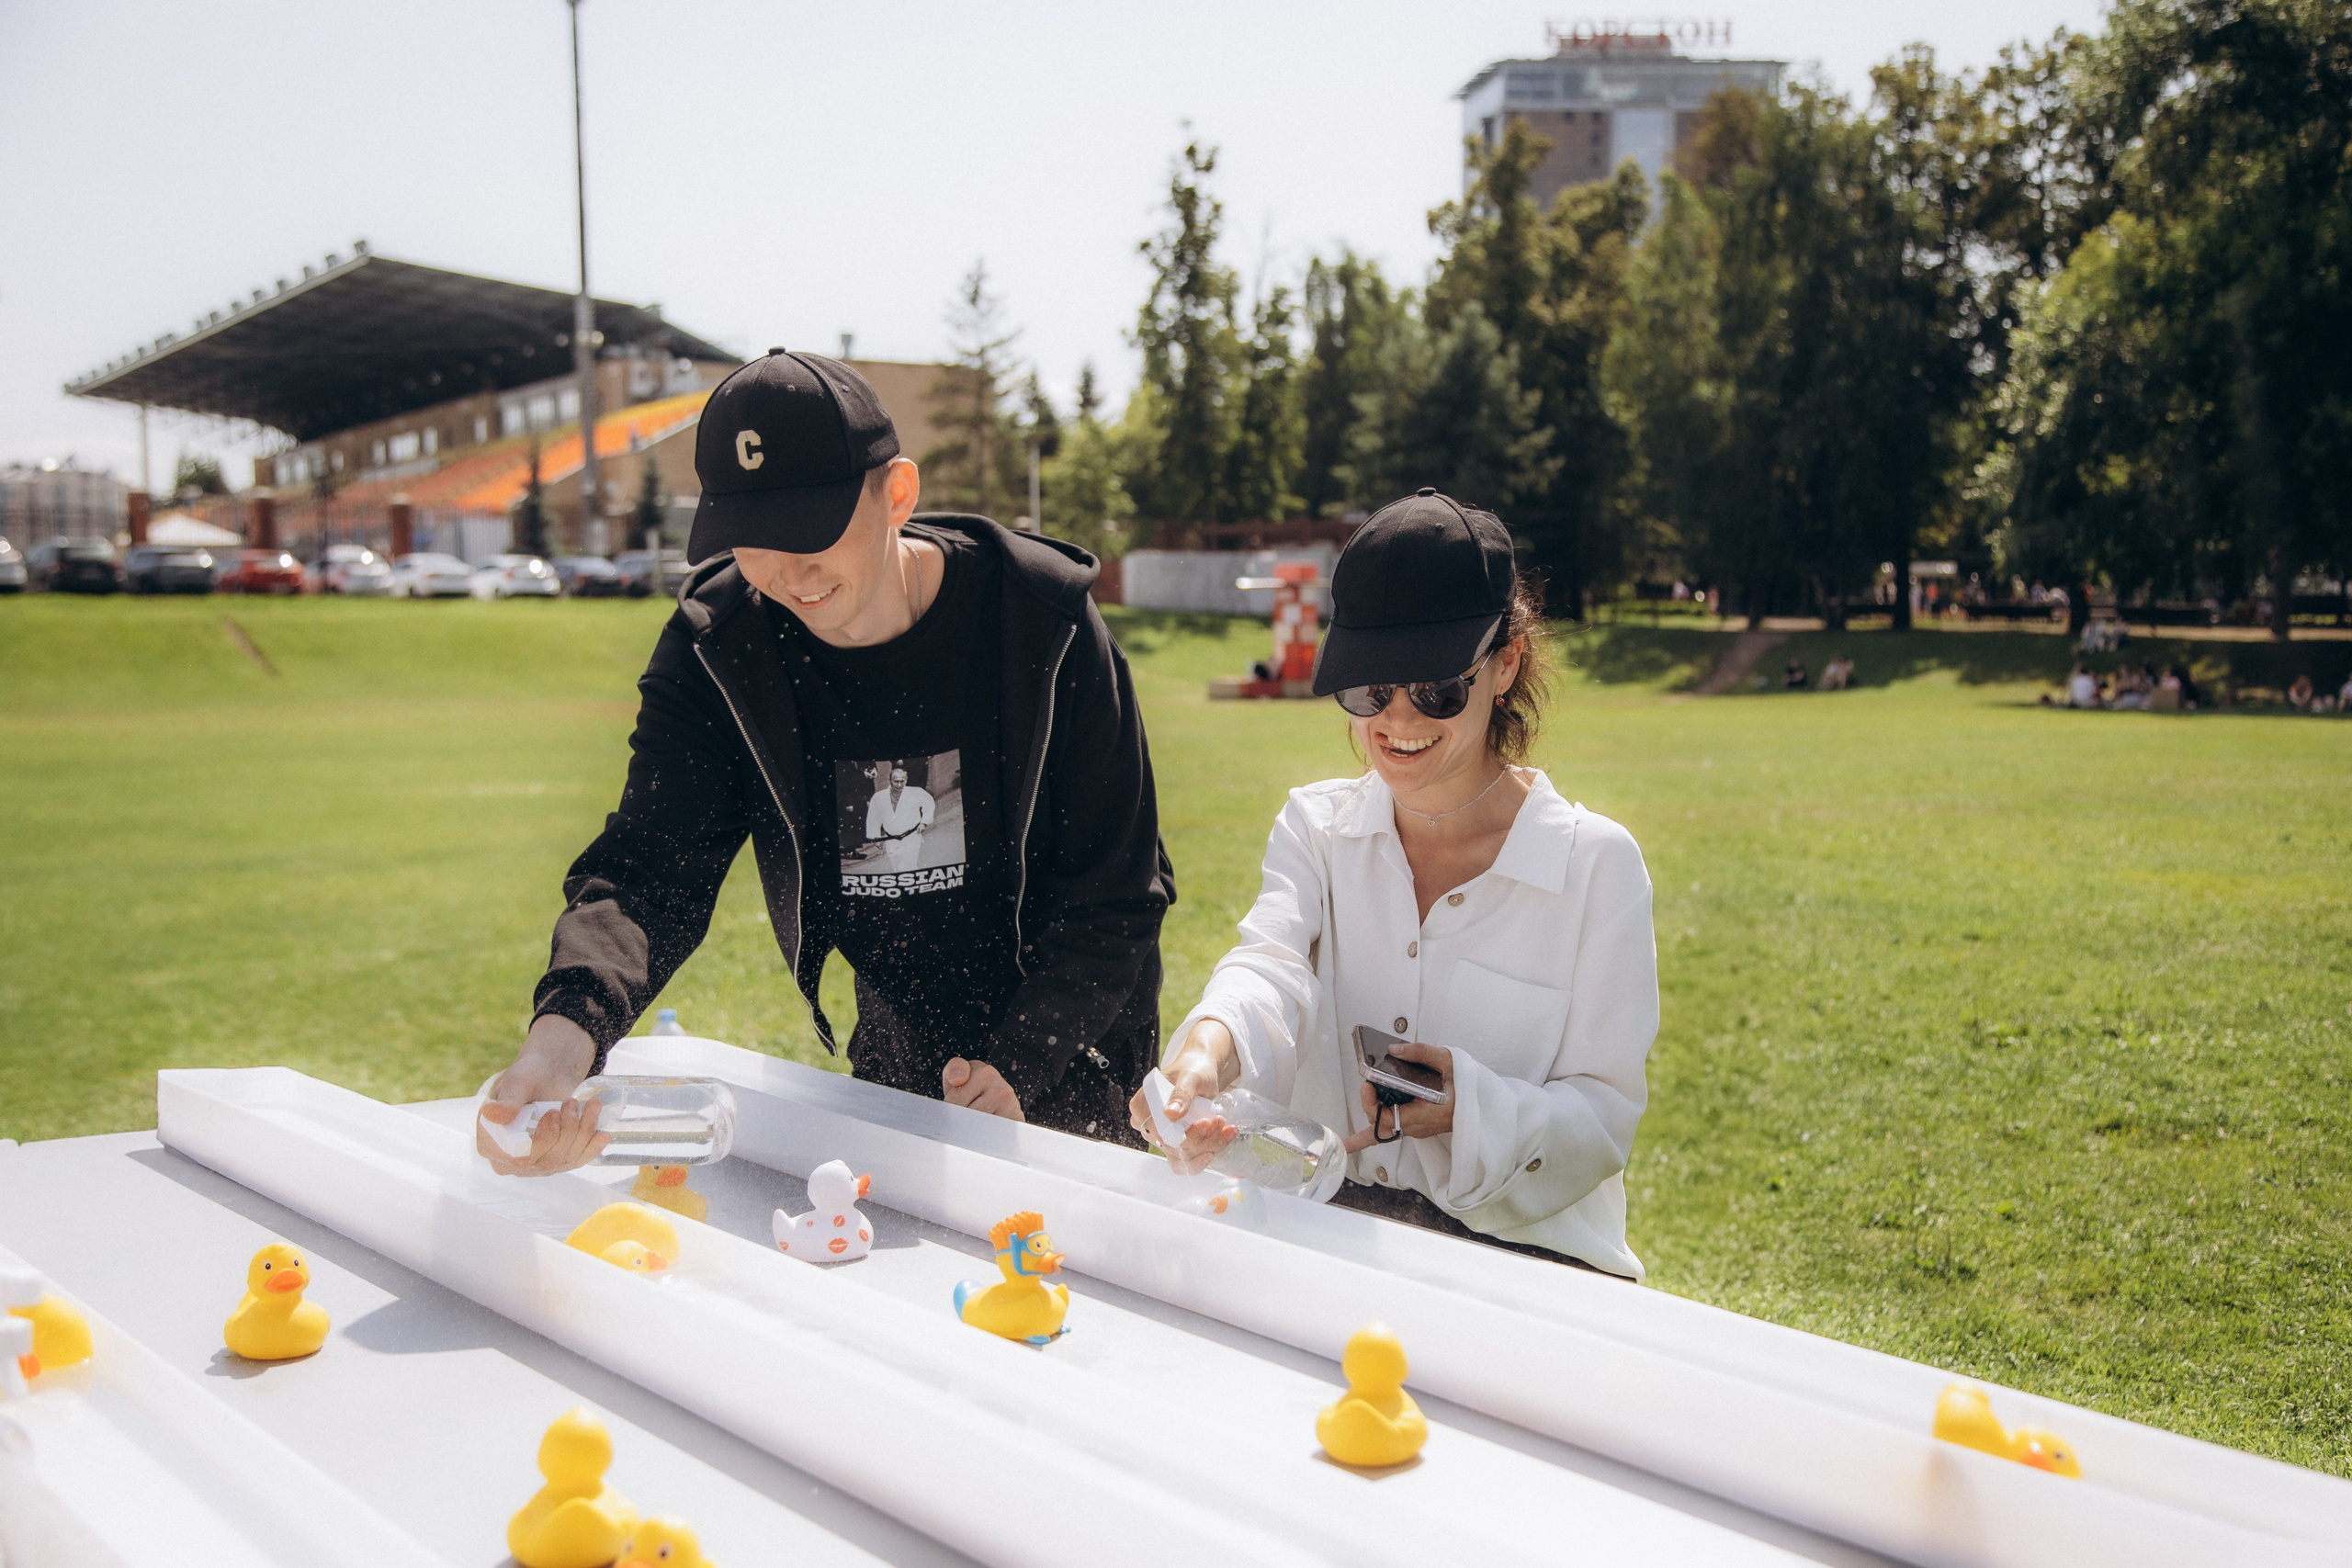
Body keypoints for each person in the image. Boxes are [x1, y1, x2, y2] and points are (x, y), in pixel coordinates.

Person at [481, 349, 1174, 1173]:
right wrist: (560, 1044)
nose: (789, 572)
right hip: (897, 1041)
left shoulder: (1042, 623)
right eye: (752, 539)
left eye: (812, 529)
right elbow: (649, 870)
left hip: (1074, 1039)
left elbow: (1118, 891)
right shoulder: (722, 648)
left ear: (897, 493)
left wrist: (1020, 1063)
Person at [1131, 490, 1657, 1280]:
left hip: (1533, 1269)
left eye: (1437, 689)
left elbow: (1604, 1120)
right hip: (1337, 1236)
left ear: (1507, 663)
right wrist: (1208, 1052)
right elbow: (1271, 967)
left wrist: (1469, 1105)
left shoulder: (1596, 866)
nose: (1399, 721)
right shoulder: (1315, 827)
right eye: (1370, 689)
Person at [864, 763, 935, 872]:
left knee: (908, 867)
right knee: (896, 869)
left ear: (906, 780)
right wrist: (875, 838)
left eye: (902, 781)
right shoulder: (879, 797)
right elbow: (873, 817)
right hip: (891, 840)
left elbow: (929, 804)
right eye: (896, 781)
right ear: (889, 781)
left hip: (911, 837)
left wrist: (924, 822)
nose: (899, 785)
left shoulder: (916, 792)